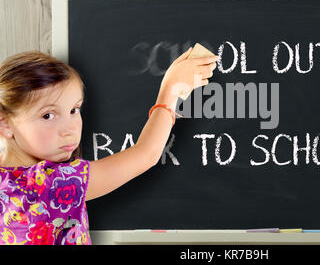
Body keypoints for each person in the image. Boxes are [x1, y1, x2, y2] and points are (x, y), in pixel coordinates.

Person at [0, 49, 218, 245]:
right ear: (5, 124)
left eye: (75, 110)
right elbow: (146, 154)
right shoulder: (50, 184)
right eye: (48, 115)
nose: (69, 129)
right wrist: (171, 90)